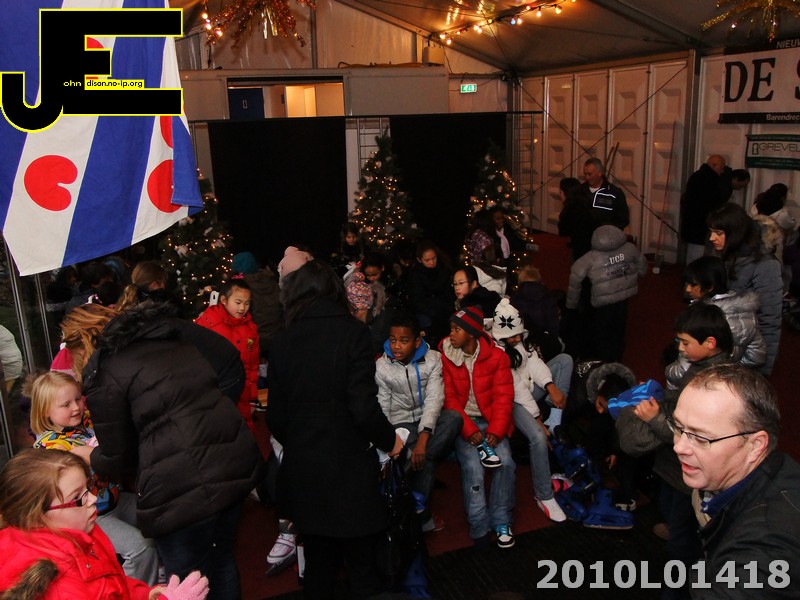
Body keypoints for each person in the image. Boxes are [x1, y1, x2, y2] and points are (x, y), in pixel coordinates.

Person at [77, 301, 264, 600]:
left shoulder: (107, 371)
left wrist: (85, 455)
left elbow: (117, 457)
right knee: (222, 560)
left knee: (187, 581)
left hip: (181, 487)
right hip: (231, 464)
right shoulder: (170, 340)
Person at [266, 259, 404, 600]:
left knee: (317, 566)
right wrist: (391, 441)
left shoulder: (282, 340)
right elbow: (363, 407)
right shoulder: (353, 333)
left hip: (305, 469)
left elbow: (276, 417)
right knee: (362, 567)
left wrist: (302, 440)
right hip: (349, 466)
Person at [619, 303, 734, 600]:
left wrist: (653, 418)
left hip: (689, 479)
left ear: (710, 343)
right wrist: (662, 396)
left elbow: (694, 439)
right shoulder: (702, 368)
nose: (680, 348)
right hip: (675, 471)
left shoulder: (713, 384)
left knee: (683, 546)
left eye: (685, 342)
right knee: (676, 520)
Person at [0, 449, 209, 600]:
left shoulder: (81, 533)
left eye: (88, 488)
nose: (92, 499)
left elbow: (111, 584)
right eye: (78, 498)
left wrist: (144, 594)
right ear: (37, 516)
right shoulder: (62, 589)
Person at [670, 365, 800, 598]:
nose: (679, 447)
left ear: (755, 445)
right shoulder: (771, 469)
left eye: (701, 437)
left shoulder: (766, 552)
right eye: (679, 428)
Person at [26, 371, 159, 585]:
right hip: (90, 514)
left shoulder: (88, 420)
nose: (76, 407)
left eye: (78, 398)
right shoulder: (48, 446)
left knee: (159, 513)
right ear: (45, 412)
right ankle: (136, 592)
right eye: (66, 404)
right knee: (140, 547)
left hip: (115, 499)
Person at [375, 313, 463, 532]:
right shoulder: (382, 366)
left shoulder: (433, 359)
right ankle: (421, 517)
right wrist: (386, 445)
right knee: (426, 461)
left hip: (427, 420)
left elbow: (435, 399)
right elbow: (383, 409)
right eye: (393, 340)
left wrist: (423, 442)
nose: (396, 346)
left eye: (403, 340)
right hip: (401, 423)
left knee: (454, 418)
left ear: (416, 341)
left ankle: (405, 476)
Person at [439, 306, 516, 549]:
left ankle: (501, 520)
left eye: (457, 329)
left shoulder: (497, 358)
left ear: (472, 333)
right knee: (473, 467)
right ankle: (479, 525)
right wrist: (469, 430)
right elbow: (449, 399)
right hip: (464, 422)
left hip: (491, 421)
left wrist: (496, 431)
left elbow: (504, 397)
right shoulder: (446, 356)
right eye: (451, 328)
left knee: (506, 463)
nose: (451, 334)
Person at [489, 300, 567, 522]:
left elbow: (533, 362)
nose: (517, 339)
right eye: (512, 337)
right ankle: (544, 495)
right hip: (511, 399)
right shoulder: (497, 352)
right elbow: (516, 389)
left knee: (564, 361)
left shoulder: (519, 341)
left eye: (518, 335)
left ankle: (555, 418)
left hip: (529, 387)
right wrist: (536, 418)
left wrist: (551, 387)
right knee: (538, 437)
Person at [708, 202, 783, 375]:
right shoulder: (723, 253)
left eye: (718, 233)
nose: (712, 238)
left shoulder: (766, 265)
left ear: (735, 234)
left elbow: (770, 320)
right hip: (722, 342)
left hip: (746, 350)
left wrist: (763, 369)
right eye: (711, 231)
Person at [566, 224, 647, 362]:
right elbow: (642, 264)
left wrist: (571, 305)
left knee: (602, 329)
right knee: (619, 325)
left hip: (602, 301)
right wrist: (639, 274)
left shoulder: (589, 258)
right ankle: (617, 355)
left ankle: (604, 358)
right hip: (623, 295)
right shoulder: (630, 249)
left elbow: (575, 280)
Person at [195, 277, 260, 430]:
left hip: (242, 391)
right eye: (238, 302)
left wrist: (252, 398)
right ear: (224, 300)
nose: (242, 308)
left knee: (242, 429)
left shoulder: (250, 330)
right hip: (215, 390)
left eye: (247, 303)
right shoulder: (208, 323)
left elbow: (252, 365)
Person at [681, 256, 765, 370]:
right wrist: (731, 369)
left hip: (701, 375)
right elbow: (757, 357)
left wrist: (669, 371)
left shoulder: (704, 318)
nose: (688, 289)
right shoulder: (747, 312)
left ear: (709, 287)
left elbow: (684, 367)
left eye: (693, 284)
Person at [680, 155, 727, 264]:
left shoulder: (698, 176)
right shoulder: (709, 180)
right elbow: (710, 202)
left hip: (694, 221)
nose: (723, 170)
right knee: (697, 254)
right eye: (722, 166)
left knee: (694, 252)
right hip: (700, 222)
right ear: (714, 165)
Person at [406, 240, 453, 347]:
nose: (431, 262)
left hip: (444, 308)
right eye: (427, 260)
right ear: (419, 260)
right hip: (426, 312)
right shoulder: (415, 275)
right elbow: (416, 300)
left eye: (433, 258)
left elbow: (449, 293)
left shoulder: (444, 269)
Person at [580, 157, 629, 231]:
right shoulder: (580, 190)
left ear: (599, 173)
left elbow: (623, 219)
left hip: (605, 235)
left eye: (589, 174)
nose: (587, 177)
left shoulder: (615, 193)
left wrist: (605, 227)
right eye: (585, 174)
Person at [557, 176, 594, 261]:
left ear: (566, 193)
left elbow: (563, 231)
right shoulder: (586, 204)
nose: (559, 194)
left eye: (560, 192)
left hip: (579, 248)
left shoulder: (569, 211)